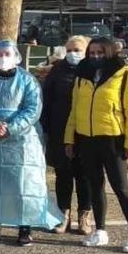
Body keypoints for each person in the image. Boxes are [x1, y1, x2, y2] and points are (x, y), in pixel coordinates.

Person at [0, 41, 63, 245]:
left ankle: (25, 227)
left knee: (23, 183)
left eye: (7, 53)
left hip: (22, 141)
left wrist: (11, 127)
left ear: (17, 57)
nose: (3, 57)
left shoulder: (28, 81)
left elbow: (33, 109)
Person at [65, 36, 128, 253]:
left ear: (109, 52)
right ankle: (100, 231)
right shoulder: (82, 75)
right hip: (86, 138)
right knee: (95, 185)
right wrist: (69, 138)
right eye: (92, 53)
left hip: (112, 139)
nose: (96, 57)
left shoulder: (125, 74)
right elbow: (75, 109)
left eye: (100, 52)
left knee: (121, 188)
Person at [40, 36, 93, 234]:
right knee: (63, 174)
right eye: (69, 50)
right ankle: (64, 215)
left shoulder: (93, 70)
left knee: (85, 175)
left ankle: (85, 215)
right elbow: (46, 99)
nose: (73, 54)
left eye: (77, 50)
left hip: (86, 131)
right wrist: (44, 128)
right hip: (59, 130)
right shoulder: (58, 70)